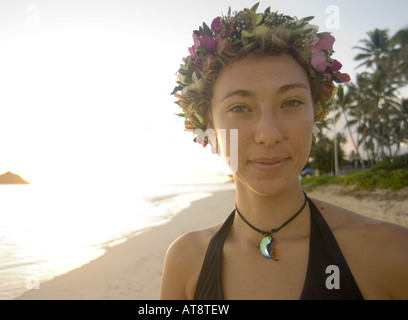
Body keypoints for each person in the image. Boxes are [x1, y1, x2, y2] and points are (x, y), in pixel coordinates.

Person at [160, 3, 408, 300]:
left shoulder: (389, 253)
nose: (269, 134)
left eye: (290, 103)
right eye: (240, 108)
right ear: (208, 125)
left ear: (315, 113)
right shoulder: (187, 262)